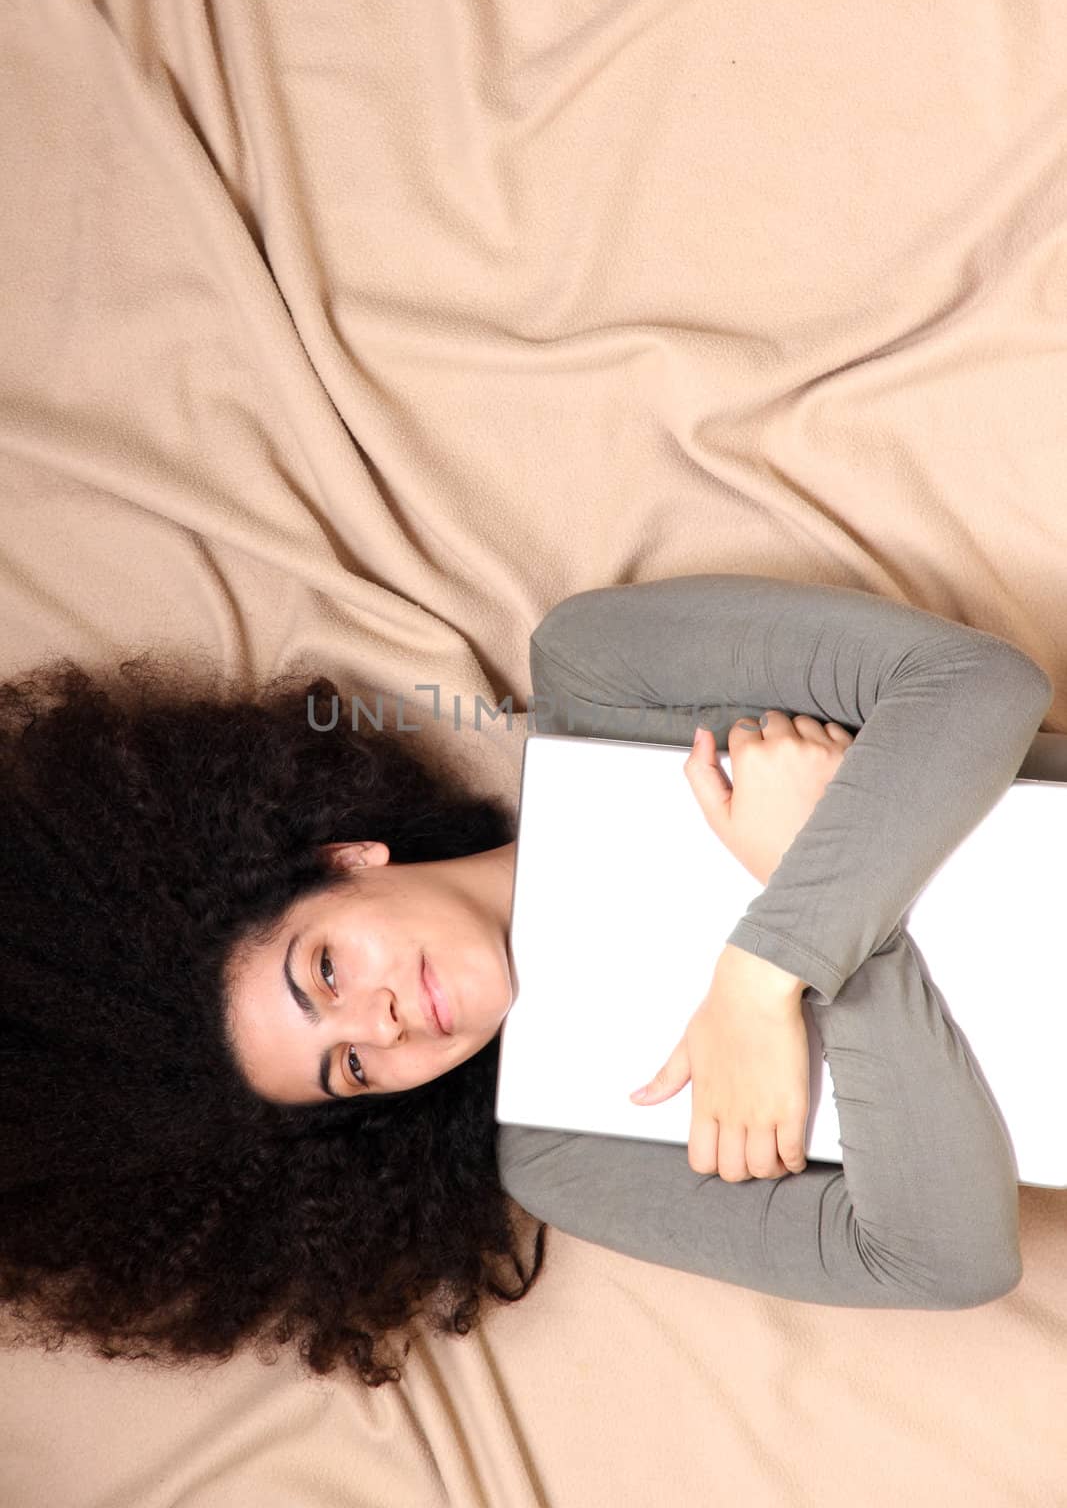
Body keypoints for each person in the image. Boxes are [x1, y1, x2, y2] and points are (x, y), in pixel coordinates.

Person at [0, 575, 1052, 1388]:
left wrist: (762, 968)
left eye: (324, 969)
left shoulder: (601, 678)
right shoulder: (565, 1157)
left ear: (342, 859)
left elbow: (976, 687)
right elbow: (945, 1260)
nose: (386, 1022)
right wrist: (812, 936)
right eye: (351, 1067)